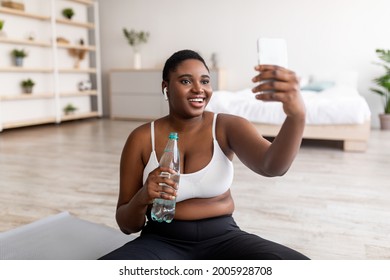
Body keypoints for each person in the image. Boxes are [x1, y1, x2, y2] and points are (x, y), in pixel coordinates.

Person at [100, 49, 309, 260]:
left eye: (205, 81)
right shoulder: (142, 138)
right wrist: (143, 196)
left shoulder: (227, 126)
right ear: (166, 87)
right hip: (160, 242)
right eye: (185, 81)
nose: (199, 89)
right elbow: (127, 225)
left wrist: (297, 115)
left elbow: (273, 167)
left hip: (224, 240)